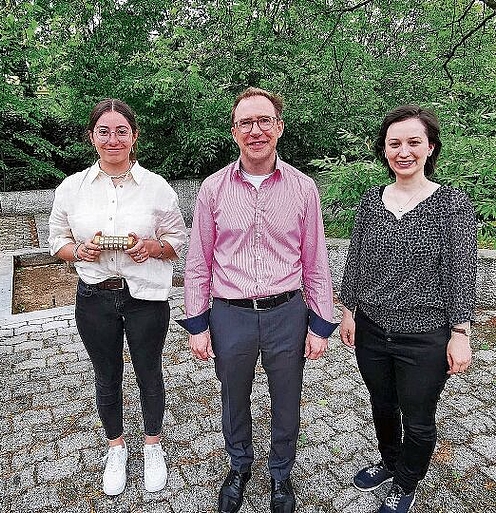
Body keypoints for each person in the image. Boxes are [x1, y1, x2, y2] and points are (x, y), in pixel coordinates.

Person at [178, 87, 337, 513]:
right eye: (246, 123)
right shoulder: (212, 190)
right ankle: (239, 465)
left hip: (287, 312)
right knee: (234, 395)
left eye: (264, 120)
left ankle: (281, 473)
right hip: (230, 315)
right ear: (234, 132)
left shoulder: (304, 189)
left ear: (279, 127)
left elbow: (315, 260)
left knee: (288, 396)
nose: (256, 130)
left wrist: (321, 324)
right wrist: (197, 323)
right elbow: (198, 261)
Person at [339, 105, 476, 513]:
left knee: (418, 418)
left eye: (414, 142)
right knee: (382, 405)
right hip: (373, 330)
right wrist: (349, 310)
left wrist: (460, 333)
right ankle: (389, 461)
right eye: (394, 143)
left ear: (430, 147)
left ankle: (407, 482)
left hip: (425, 336)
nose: (404, 151)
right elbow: (358, 259)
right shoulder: (371, 201)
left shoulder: (452, 204)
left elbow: (461, 272)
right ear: (384, 151)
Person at [48, 98, 187, 496]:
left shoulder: (157, 187)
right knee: (107, 376)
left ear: (134, 136)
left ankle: (153, 445)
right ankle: (115, 447)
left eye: (121, 131)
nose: (113, 139)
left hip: (145, 297)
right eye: (104, 131)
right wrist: (80, 251)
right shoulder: (71, 189)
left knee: (149, 372)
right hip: (94, 297)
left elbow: (178, 240)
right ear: (92, 137)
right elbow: (56, 241)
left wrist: (151, 247)